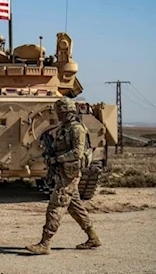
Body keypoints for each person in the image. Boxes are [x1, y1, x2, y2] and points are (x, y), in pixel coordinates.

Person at [25, 97, 100, 255]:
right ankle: (93, 237)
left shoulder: (76, 129)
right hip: (63, 171)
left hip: (70, 172)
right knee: (75, 206)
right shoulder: (63, 128)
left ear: (66, 112)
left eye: (60, 112)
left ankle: (45, 243)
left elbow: (77, 153)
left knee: (56, 205)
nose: (57, 115)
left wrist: (57, 159)